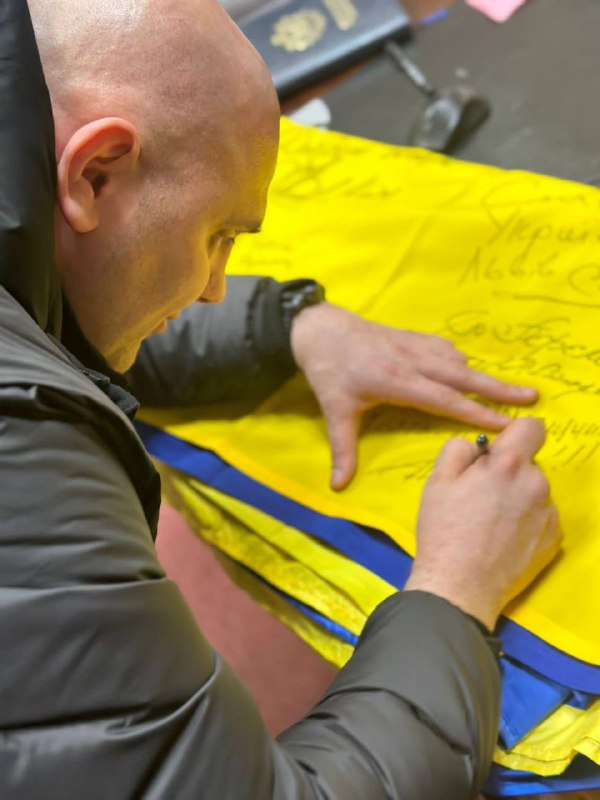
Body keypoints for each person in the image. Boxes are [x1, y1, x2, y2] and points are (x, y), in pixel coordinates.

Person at [0, 0, 562, 798]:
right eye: (217, 236)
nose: (213, 286)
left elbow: (35, 285)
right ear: (93, 173)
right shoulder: (20, 464)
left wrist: (283, 327)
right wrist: (457, 591)